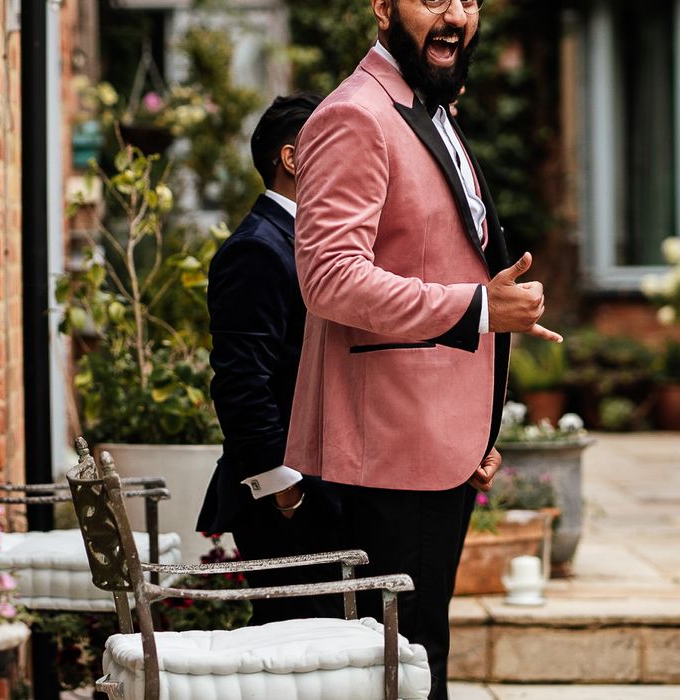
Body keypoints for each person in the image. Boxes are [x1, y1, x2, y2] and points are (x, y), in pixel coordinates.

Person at [283, 1, 563, 698]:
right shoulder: (356, 115)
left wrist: (491, 306)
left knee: (419, 658)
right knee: (396, 671)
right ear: (382, 7)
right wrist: (477, 308)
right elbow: (329, 279)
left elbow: (435, 252)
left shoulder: (429, 109)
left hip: (433, 446)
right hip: (383, 454)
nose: (454, 14)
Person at [196, 92, 344, 625]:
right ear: (293, 158)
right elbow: (240, 384)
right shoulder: (257, 248)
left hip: (318, 488)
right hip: (283, 500)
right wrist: (287, 494)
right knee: (297, 647)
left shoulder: (312, 240)